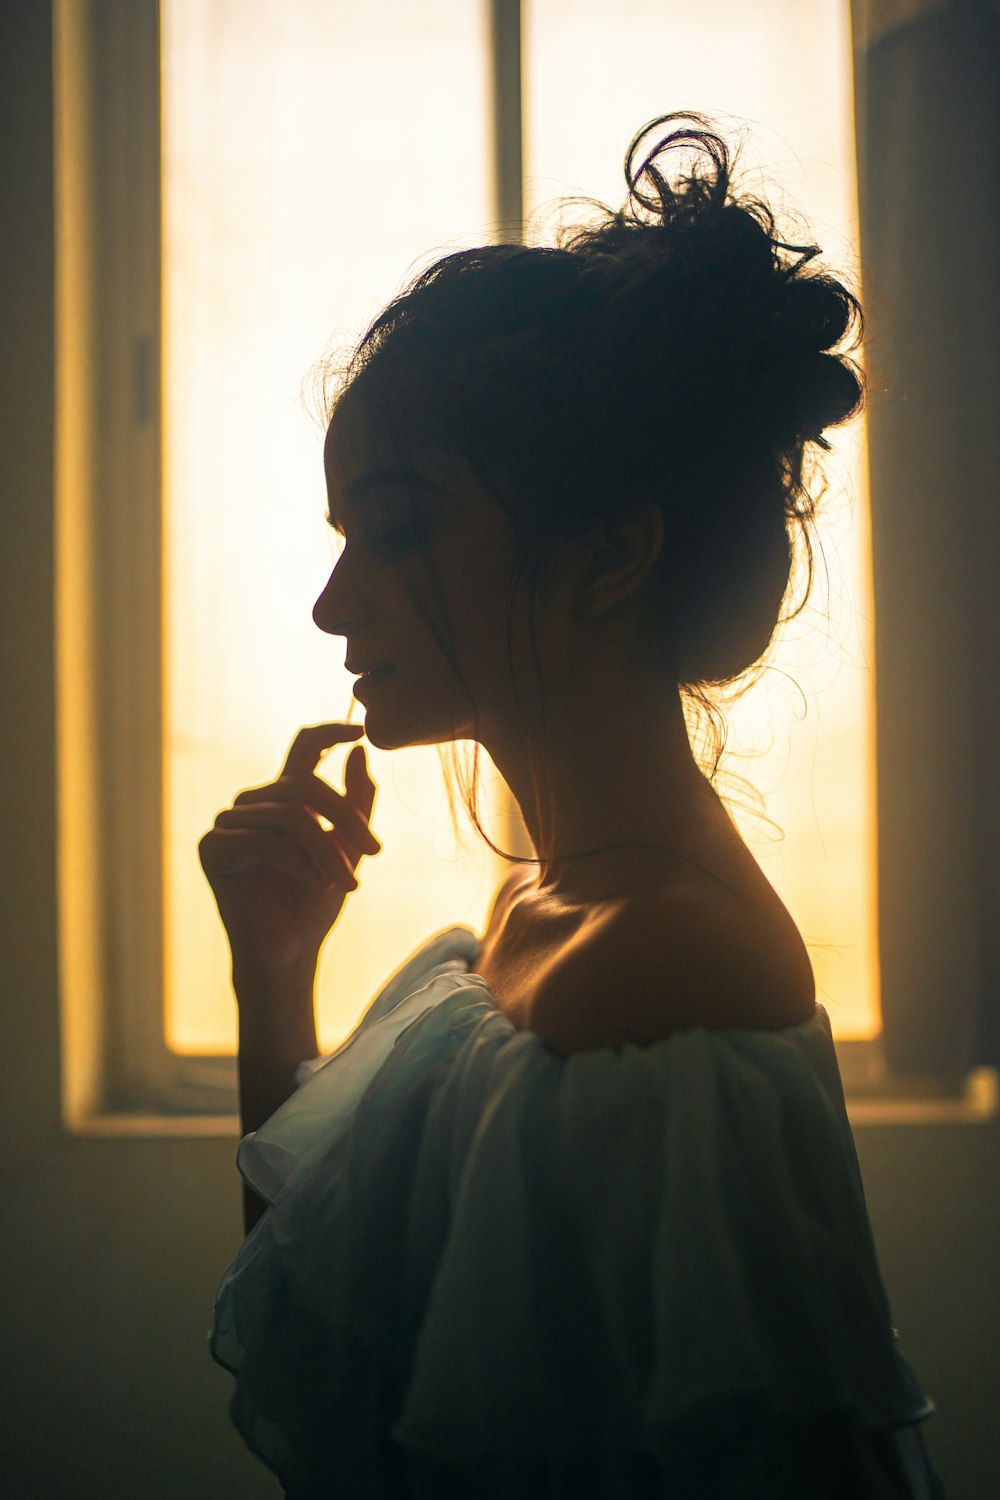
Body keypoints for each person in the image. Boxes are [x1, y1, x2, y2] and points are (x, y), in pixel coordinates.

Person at [200, 115, 945, 1498]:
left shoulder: (659, 971)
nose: (332, 603)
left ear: (606, 554)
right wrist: (274, 974)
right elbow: (337, 1330)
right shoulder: (536, 916)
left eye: (399, 525)